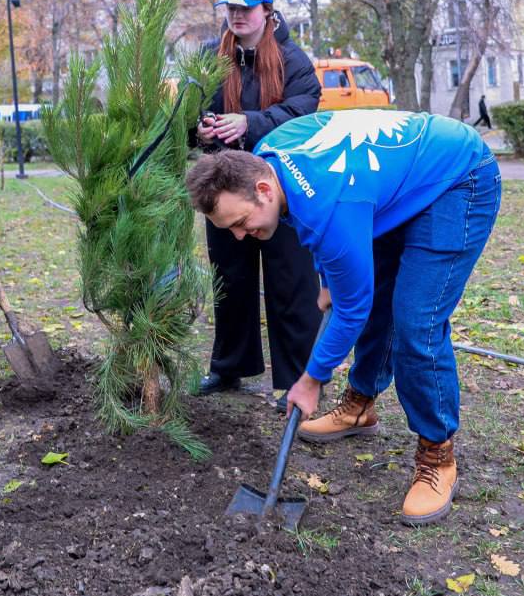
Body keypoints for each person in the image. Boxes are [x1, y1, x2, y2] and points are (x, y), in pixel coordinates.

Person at [185, 109, 501, 524]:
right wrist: (329, 277)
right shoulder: (268, 154)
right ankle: (360, 405)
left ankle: (437, 454)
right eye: (230, 229)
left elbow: (352, 306)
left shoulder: (327, 203)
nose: (240, 236)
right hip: (386, 185)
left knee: (416, 323)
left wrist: (310, 380)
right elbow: (313, 221)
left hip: (458, 178)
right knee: (376, 295)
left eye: (241, 223)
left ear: (263, 189)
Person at [193, 0, 323, 412]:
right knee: (230, 278)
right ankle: (229, 366)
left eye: (246, 7)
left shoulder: (293, 59)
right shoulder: (212, 57)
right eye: (230, 7)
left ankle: (297, 380)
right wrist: (204, 129)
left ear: (267, 9)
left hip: (282, 188)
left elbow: (304, 112)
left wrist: (250, 121)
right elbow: (192, 114)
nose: (237, 16)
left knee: (292, 282)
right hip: (225, 188)